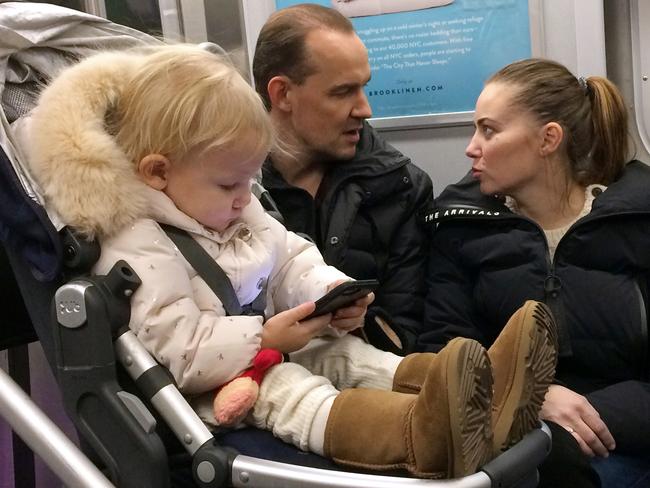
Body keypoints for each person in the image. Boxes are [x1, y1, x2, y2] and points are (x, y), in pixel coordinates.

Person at [21, 44, 558, 479]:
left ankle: (477, 389)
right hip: (213, 392)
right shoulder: (136, 242)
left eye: (249, 181)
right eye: (230, 183)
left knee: (346, 354)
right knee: (293, 392)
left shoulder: (232, 204)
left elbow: (290, 257)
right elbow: (179, 352)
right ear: (158, 172)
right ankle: (419, 435)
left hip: (270, 347)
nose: (243, 198)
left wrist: (331, 293)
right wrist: (266, 340)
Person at [418, 57, 650, 487]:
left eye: (489, 130)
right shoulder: (460, 227)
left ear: (548, 139)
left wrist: (587, 415)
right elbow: (443, 351)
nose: (472, 147)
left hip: (625, 433)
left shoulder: (637, 221)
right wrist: (534, 398)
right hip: (512, 434)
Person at [253, 3, 433, 354]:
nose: (364, 109)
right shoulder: (227, 191)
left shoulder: (402, 187)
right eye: (342, 92)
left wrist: (357, 318)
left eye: (364, 87)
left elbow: (409, 333)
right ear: (283, 94)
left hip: (377, 389)